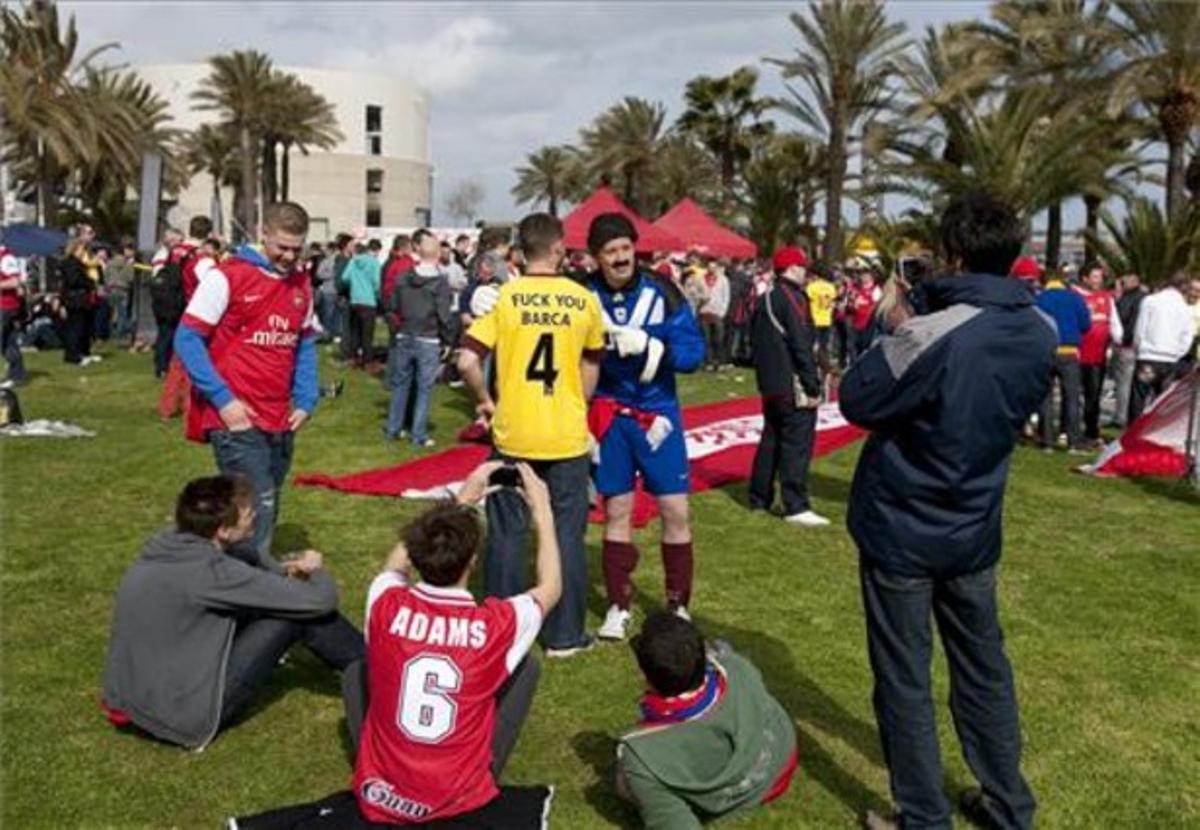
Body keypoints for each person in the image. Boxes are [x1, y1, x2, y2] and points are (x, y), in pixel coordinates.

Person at [840, 192, 1052, 830]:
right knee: (983, 667)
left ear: (955, 255)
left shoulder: (933, 331)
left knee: (905, 677)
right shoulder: (1038, 332)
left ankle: (924, 817)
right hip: (974, 523)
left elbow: (858, 397)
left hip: (905, 527)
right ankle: (1008, 803)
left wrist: (903, 321)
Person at [346, 461, 560, 824]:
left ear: (415, 553)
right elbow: (551, 587)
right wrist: (543, 512)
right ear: (472, 562)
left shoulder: (384, 602)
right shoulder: (494, 625)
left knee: (357, 670)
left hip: (383, 789)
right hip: (455, 795)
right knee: (525, 666)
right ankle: (484, 770)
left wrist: (458, 502)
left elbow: (393, 567)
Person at [101, 475, 363, 750]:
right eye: (249, 513)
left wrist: (277, 571)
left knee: (262, 582)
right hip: (183, 714)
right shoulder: (212, 572)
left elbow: (247, 559)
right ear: (223, 530)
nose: (256, 516)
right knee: (295, 616)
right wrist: (315, 570)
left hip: (133, 699)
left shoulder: (170, 547)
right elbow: (320, 600)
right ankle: (380, 669)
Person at [457, 212, 605, 658]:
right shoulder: (584, 300)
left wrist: (485, 399)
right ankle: (564, 636)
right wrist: (577, 403)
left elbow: (466, 360)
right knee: (565, 535)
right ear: (559, 250)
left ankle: (500, 635)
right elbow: (592, 363)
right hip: (564, 433)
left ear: (520, 253)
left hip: (514, 432)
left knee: (507, 532)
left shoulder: (506, 297)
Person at [584, 213, 706, 641]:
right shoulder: (584, 293)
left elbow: (694, 352)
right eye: (609, 251)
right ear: (596, 257)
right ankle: (618, 605)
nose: (620, 258)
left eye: (624, 248)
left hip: (658, 416)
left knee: (676, 511)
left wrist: (657, 347)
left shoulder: (663, 290)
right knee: (615, 510)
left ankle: (678, 604)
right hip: (609, 416)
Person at [175, 201, 319, 558]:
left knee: (268, 497)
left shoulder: (301, 284)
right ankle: (248, 586)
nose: (288, 256)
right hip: (237, 414)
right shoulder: (228, 276)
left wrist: (305, 398)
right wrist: (223, 400)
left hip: (279, 415)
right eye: (281, 247)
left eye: (295, 249)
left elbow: (303, 343)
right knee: (254, 504)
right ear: (263, 235)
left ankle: (248, 575)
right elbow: (187, 338)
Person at [616, 612, 798, 829]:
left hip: (744, 789)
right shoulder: (736, 666)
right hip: (781, 752)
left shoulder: (642, 754)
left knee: (624, 782)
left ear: (646, 676)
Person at [748, 245, 827, 527]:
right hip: (791, 382)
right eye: (803, 267)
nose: (806, 272)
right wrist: (813, 384)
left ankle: (759, 496)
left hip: (769, 382)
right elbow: (800, 343)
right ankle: (796, 504)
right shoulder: (792, 298)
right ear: (792, 268)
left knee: (771, 439)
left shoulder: (765, 297)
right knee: (797, 443)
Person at [383, 228, 453, 447]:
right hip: (428, 338)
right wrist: (449, 340)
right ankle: (418, 434)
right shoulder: (441, 283)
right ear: (438, 254)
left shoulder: (403, 277)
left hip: (405, 334)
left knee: (400, 384)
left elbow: (393, 305)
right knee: (424, 389)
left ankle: (393, 429)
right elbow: (444, 315)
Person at [157, 216, 216, 418]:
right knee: (198, 360)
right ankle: (192, 406)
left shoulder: (174, 251)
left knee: (178, 360)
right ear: (208, 234)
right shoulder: (202, 258)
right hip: (196, 311)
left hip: (173, 306)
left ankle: (168, 406)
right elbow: (212, 285)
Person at [1034, 267, 1091, 452]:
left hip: (1046, 351)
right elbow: (1086, 324)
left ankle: (1047, 440)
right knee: (1072, 397)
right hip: (1069, 351)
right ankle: (1073, 441)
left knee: (1046, 396)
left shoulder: (1039, 299)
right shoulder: (1074, 298)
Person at [1129, 271, 1196, 421]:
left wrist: (1139, 348)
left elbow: (1140, 329)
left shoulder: (1150, 301)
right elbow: (1187, 336)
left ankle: (1133, 430)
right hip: (1170, 359)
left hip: (1148, 356)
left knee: (1139, 398)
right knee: (1163, 401)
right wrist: (1177, 353)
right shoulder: (1184, 308)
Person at [1074, 264, 1122, 444]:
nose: (1099, 280)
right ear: (1085, 278)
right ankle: (1069, 429)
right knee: (1072, 395)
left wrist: (1119, 341)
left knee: (1093, 395)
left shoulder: (1106, 298)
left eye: (1100, 277)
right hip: (1076, 354)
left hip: (1097, 356)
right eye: (1095, 277)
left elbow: (1115, 324)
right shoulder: (1075, 296)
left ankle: (1091, 431)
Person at [340, 239, 383, 369]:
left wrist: (355, 284)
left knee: (355, 332)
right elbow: (376, 282)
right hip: (368, 301)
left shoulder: (353, 261)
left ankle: (353, 358)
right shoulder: (374, 263)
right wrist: (375, 294)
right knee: (367, 334)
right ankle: (367, 361)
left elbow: (344, 278)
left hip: (355, 300)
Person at [1111, 273, 1145, 428]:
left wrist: (1117, 299)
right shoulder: (1145, 298)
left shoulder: (1128, 299)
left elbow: (1121, 316)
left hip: (1127, 345)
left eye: (1123, 282)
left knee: (1124, 383)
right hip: (1139, 346)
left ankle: (1121, 416)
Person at [59, 237, 98, 366]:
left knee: (83, 327)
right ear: (75, 249)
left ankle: (83, 352)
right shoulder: (70, 263)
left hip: (81, 299)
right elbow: (72, 281)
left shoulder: (78, 263)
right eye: (82, 249)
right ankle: (72, 356)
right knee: (75, 328)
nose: (83, 252)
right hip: (75, 300)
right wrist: (88, 282)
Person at [0, 242, 28, 386]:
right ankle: (17, 375)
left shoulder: (6, 257)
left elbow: (14, 282)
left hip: (5, 306)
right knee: (8, 342)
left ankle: (16, 375)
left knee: (6, 342)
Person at [805, 263, 838, 373]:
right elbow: (833, 303)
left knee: (813, 346)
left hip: (815, 319)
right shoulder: (831, 287)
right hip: (827, 319)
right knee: (824, 346)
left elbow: (807, 300)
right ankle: (824, 367)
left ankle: (815, 366)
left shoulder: (812, 287)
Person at [697, 259, 729, 371]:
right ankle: (709, 362)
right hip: (704, 311)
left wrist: (723, 311)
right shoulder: (700, 279)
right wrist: (701, 299)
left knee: (719, 339)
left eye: (714, 267)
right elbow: (696, 294)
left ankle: (720, 362)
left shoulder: (723, 280)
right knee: (706, 339)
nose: (712, 269)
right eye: (710, 267)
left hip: (717, 312)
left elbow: (726, 296)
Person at [104, 241, 137, 345]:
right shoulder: (127, 263)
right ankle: (122, 336)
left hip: (111, 288)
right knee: (123, 314)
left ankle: (110, 335)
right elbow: (129, 277)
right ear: (126, 250)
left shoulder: (111, 261)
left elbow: (106, 274)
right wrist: (130, 266)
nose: (133, 253)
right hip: (122, 289)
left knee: (113, 313)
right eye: (132, 250)